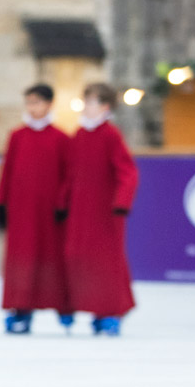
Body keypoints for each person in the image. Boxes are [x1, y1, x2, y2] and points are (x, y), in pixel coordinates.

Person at [0, 84, 73, 334]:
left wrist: (63, 203)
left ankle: (62, 307)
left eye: (37, 102)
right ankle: (20, 309)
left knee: (51, 259)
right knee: (22, 260)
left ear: (49, 104)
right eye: (29, 102)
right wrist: (0, 202)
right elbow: (7, 171)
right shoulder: (17, 136)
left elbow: (68, 175)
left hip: (49, 214)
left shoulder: (61, 138)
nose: (32, 107)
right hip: (21, 212)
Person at [61, 83, 138, 335]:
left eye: (91, 102)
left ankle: (110, 311)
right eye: (85, 101)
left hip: (106, 211)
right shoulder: (79, 135)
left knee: (106, 262)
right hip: (80, 211)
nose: (86, 106)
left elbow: (127, 172)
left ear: (105, 106)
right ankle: (89, 306)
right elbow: (70, 174)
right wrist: (62, 202)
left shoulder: (110, 135)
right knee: (80, 260)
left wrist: (122, 202)